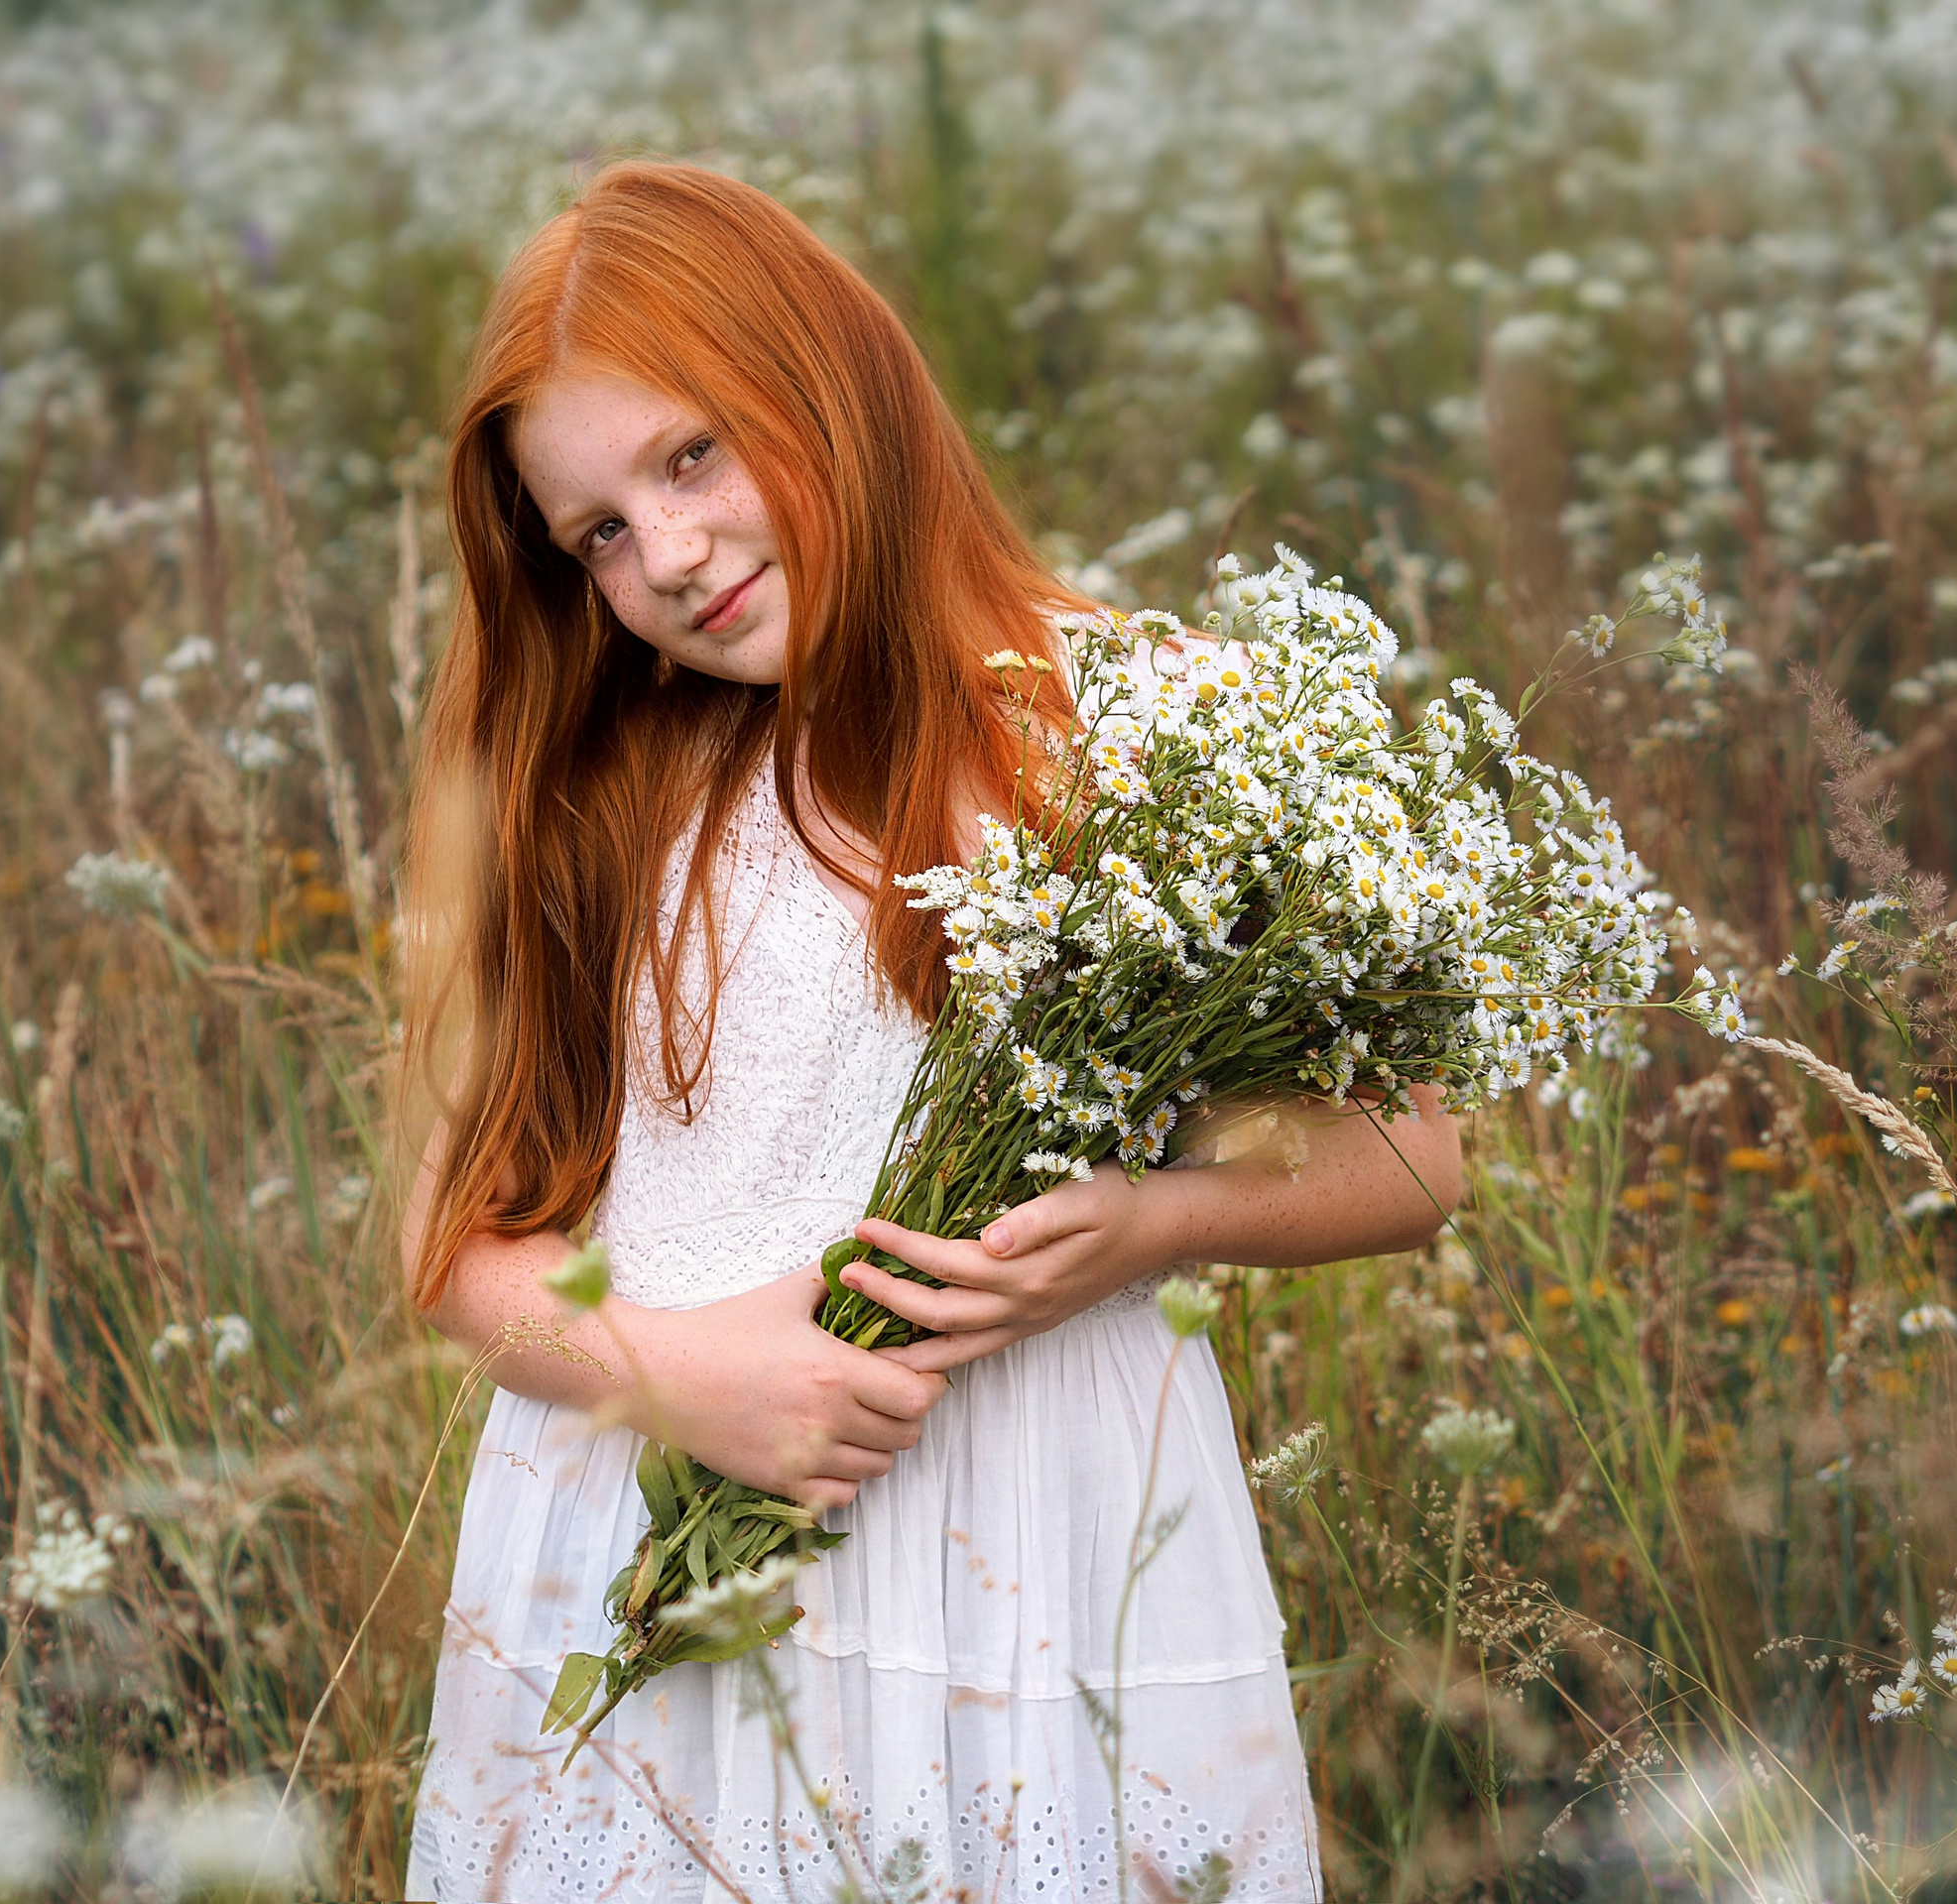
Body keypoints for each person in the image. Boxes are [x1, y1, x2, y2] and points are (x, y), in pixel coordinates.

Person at [395, 159, 1463, 1902]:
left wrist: (1153, 1228)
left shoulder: (1136, 729)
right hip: (649, 1548)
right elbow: (456, 1252)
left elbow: (1419, 1155)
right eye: (594, 531)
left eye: (692, 456)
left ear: (831, 388)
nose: (665, 554)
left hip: (1031, 1561)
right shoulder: (589, 790)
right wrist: (672, 1376)